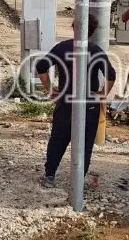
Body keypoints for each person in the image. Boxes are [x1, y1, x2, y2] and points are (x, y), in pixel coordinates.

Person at [34, 14, 116, 189]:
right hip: (90, 105)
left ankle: (49, 176)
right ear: (92, 32)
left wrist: (50, 90)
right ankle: (79, 180)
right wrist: (102, 93)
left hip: (66, 102)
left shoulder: (62, 48)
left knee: (58, 139)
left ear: (73, 27)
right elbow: (111, 75)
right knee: (85, 143)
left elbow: (41, 67)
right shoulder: (96, 51)